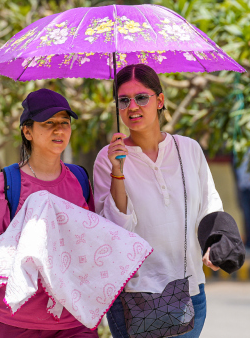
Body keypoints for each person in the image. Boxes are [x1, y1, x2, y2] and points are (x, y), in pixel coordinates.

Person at [93, 64, 223, 338]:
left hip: (189, 291)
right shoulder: (108, 158)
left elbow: (209, 205)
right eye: (124, 100)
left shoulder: (188, 149)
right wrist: (118, 172)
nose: (133, 107)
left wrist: (215, 243)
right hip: (134, 298)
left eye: (142, 97)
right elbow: (114, 231)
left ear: (160, 100)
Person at [0, 88, 98, 337]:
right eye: (48, 123)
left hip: (72, 322)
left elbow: (90, 243)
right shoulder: (7, 183)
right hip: (11, 322)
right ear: (27, 131)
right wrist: (28, 230)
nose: (59, 130)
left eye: (65, 123)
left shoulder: (79, 179)